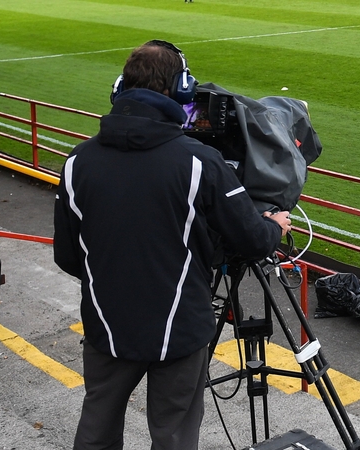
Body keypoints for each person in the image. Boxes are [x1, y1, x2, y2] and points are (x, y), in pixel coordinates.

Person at [54, 39, 291, 450]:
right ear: (181, 89)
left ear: (119, 89)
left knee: (96, 426)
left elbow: (67, 256)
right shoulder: (198, 161)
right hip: (180, 327)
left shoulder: (77, 161)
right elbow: (251, 240)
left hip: (106, 325)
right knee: (174, 435)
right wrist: (274, 225)